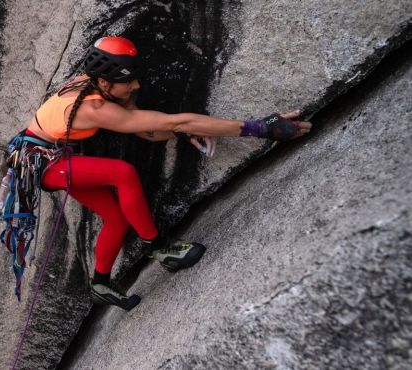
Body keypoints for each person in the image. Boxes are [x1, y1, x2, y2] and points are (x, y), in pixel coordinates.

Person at [18, 36, 311, 310]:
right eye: (127, 80)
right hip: (42, 163)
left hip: (46, 156)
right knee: (122, 173)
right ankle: (159, 250)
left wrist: (181, 134)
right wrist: (260, 128)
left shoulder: (91, 84)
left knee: (117, 218)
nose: (135, 85)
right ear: (105, 82)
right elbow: (174, 121)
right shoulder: (93, 109)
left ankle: (100, 283)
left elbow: (146, 129)